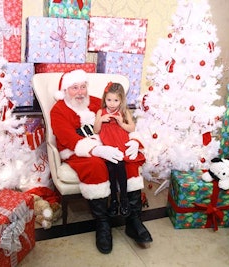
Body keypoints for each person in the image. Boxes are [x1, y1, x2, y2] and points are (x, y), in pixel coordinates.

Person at [50, 69, 152, 254]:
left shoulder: (97, 101)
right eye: (74, 88)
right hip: (77, 151)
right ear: (65, 90)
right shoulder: (58, 110)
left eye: (83, 87)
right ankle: (103, 224)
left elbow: (123, 117)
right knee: (95, 165)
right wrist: (96, 149)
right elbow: (67, 139)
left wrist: (135, 141)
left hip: (108, 143)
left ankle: (133, 219)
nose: (80, 92)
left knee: (128, 160)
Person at [93, 82, 146, 218]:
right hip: (108, 147)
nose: (112, 103)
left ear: (121, 100)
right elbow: (96, 130)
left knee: (120, 164)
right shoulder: (100, 112)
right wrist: (101, 120)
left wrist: (121, 123)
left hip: (120, 144)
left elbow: (132, 129)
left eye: (116, 100)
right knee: (110, 168)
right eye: (109, 100)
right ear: (104, 99)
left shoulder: (124, 111)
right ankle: (114, 200)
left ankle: (123, 199)